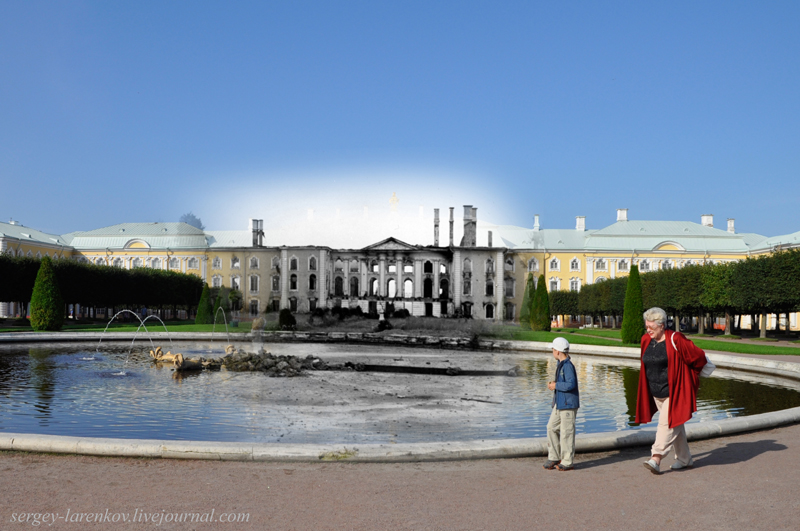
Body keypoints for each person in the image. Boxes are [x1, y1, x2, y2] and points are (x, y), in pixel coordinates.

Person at [636, 307, 707, 474]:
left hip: (674, 393)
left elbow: (699, 357)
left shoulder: (676, 338)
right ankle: (684, 459)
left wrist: (690, 377)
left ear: (661, 325)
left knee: (666, 424)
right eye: (646, 327)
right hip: (656, 393)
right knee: (675, 425)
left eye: (651, 327)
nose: (648, 330)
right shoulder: (646, 340)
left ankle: (656, 457)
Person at [543, 337, 580, 471]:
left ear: (558, 351)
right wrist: (555, 386)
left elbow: (571, 384)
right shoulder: (562, 365)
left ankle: (567, 461)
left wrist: (555, 385)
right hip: (560, 404)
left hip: (568, 405)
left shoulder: (568, 366)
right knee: (551, 427)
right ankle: (554, 456)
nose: (552, 351)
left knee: (566, 433)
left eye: (553, 349)